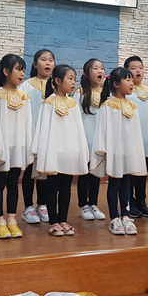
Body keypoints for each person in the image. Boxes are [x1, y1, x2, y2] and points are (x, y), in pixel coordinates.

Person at [31, 64, 89, 236]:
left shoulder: (73, 104)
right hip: (53, 153)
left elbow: (78, 129)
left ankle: (63, 219)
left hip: (69, 152)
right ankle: (53, 221)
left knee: (66, 187)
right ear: (57, 81)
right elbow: (43, 129)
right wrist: (40, 150)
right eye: (69, 79)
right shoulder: (48, 103)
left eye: (74, 79)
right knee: (52, 187)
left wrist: (80, 149)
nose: (73, 83)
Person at [90, 67, 147, 236]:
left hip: (129, 151)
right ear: (116, 84)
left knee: (126, 184)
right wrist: (105, 150)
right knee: (114, 184)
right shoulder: (108, 105)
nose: (131, 83)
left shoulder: (132, 106)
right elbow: (102, 130)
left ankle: (126, 216)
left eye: (131, 80)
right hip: (115, 152)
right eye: (127, 80)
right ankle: (115, 218)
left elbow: (136, 132)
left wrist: (136, 150)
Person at [0, 54, 33, 239]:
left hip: (18, 146)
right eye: (18, 69)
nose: (22, 74)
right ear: (6, 71)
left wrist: (28, 146)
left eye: (23, 70)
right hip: (3, 146)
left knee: (14, 183)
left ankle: (12, 219)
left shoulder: (24, 96)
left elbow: (28, 124)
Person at [19, 49, 55, 224]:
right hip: (31, 133)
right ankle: (28, 207)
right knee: (29, 171)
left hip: (48, 136)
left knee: (45, 171)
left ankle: (42, 204)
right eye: (43, 59)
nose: (47, 63)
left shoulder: (56, 86)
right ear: (35, 64)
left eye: (51, 60)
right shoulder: (26, 86)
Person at [73, 58, 106, 221]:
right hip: (85, 139)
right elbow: (75, 118)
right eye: (95, 68)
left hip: (99, 141)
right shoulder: (79, 94)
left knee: (96, 173)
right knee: (84, 174)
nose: (100, 71)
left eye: (102, 68)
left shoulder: (107, 94)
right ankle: (83, 205)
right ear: (86, 73)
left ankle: (93, 203)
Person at [124, 55, 148, 218]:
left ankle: (141, 201)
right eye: (133, 68)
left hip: (147, 138)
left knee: (143, 170)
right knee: (130, 170)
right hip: (131, 138)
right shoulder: (125, 92)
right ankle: (129, 201)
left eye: (140, 68)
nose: (138, 71)